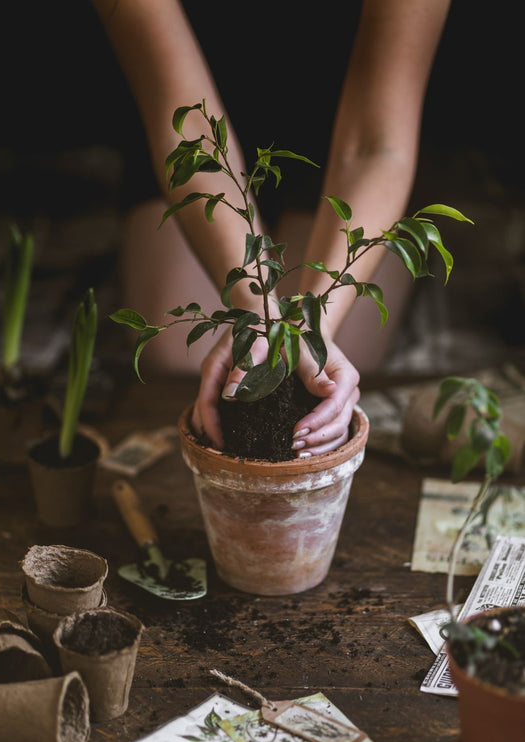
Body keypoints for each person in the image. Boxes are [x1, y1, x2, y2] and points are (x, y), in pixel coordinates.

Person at [90, 0, 452, 456]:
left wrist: (312, 323)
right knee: (177, 356)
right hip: (199, 122)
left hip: (346, 119)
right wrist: (254, 307)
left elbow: (375, 147)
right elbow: (186, 125)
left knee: (330, 362)